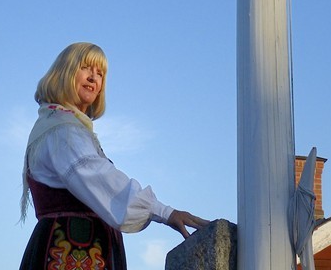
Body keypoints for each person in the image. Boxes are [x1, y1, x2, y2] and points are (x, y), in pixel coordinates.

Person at [20, 42, 208, 270]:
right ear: (65, 72)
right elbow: (103, 180)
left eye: (100, 74)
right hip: (73, 247)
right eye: (86, 68)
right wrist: (165, 212)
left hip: (79, 245)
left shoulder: (56, 125)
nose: (93, 78)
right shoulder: (63, 132)